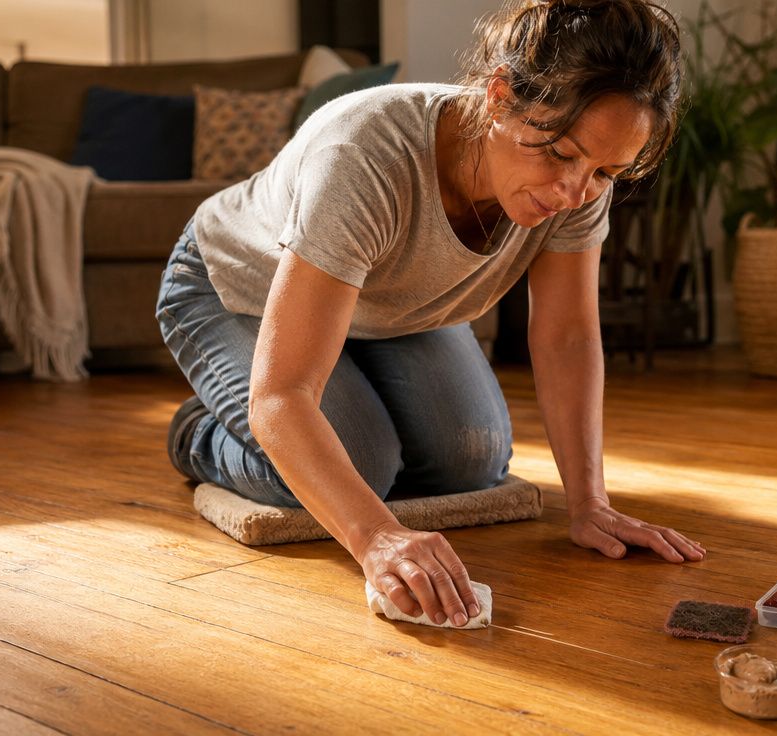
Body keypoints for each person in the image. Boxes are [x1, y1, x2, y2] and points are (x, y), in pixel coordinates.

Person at [156, 0, 705, 630]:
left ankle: (333, 386)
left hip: (393, 310)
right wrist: (376, 539)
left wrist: (590, 503)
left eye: (606, 171)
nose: (573, 193)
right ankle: (202, 430)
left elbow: (568, 337)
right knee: (355, 463)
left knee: (471, 461)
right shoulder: (362, 154)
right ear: (499, 97)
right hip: (235, 286)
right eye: (559, 154)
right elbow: (283, 393)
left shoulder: (579, 182)